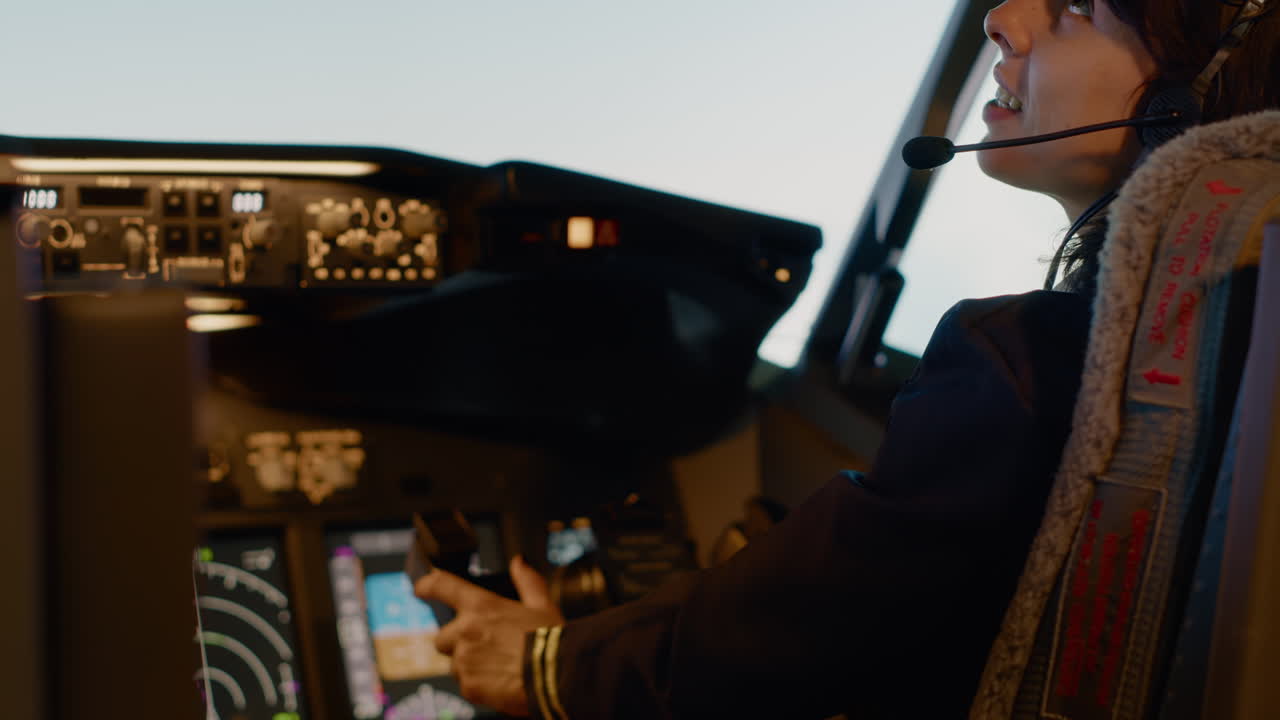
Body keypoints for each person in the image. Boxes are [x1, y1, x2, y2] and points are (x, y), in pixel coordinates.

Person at [415, 1, 1280, 717]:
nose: (1004, 19)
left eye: (1075, 10)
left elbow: (810, 622)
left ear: (1186, 99)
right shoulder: (1223, 363)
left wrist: (547, 666)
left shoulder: (1037, 364)